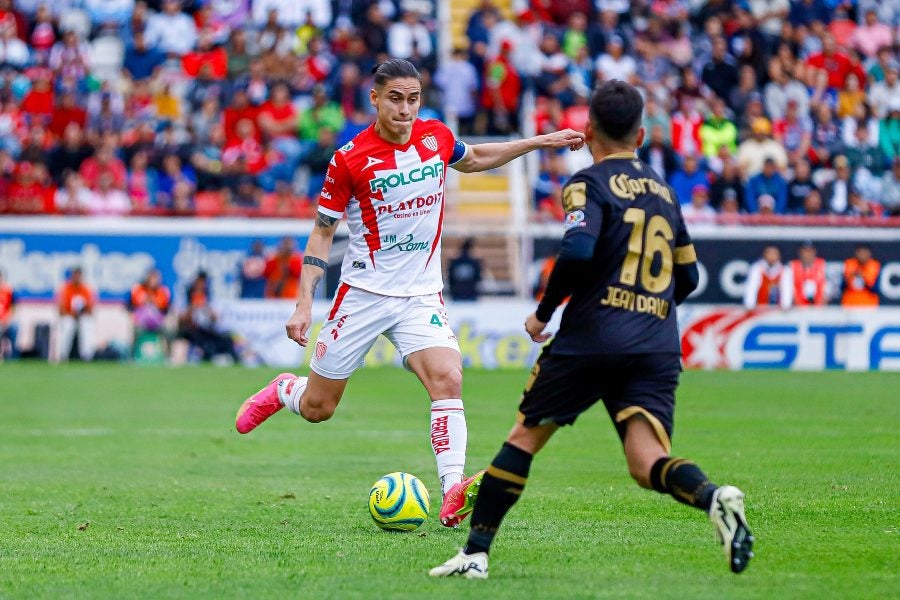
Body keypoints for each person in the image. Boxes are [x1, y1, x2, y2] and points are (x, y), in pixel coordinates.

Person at [233, 58, 585, 524]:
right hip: (363, 294)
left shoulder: (435, 136)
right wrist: (303, 304)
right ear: (375, 98)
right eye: (395, 99)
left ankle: (452, 489)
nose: (405, 109)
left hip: (420, 294)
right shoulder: (349, 159)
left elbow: (475, 158)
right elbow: (321, 234)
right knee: (319, 408)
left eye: (413, 99)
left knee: (448, 378)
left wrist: (539, 142)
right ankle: (285, 391)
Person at [429, 81, 753, 579]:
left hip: (593, 335)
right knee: (647, 462)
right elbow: (688, 276)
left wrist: (543, 313)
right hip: (655, 341)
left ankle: (474, 554)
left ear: (587, 131)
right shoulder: (665, 192)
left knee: (523, 439)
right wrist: (649, 310)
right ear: (641, 134)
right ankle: (714, 497)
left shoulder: (588, 183)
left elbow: (578, 252)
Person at [56, 267, 96, 362]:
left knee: (87, 324)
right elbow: (61, 310)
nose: (76, 277)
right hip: (69, 316)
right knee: (68, 325)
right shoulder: (66, 289)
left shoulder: (86, 289)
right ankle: (63, 355)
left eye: (78, 275)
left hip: (82, 318)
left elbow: (91, 310)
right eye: (75, 275)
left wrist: (82, 312)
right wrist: (71, 314)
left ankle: (86, 356)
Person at [788, 242, 827, 307]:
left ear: (814, 252)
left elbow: (829, 288)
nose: (807, 254)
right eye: (805, 251)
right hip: (797, 308)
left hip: (818, 308)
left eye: (810, 251)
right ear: (800, 252)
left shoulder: (823, 265)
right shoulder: (792, 266)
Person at [0, 268, 16, 360]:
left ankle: (13, 357)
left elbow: (13, 307)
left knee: (15, 327)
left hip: (6, 320)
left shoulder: (8, 291)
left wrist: (7, 319)